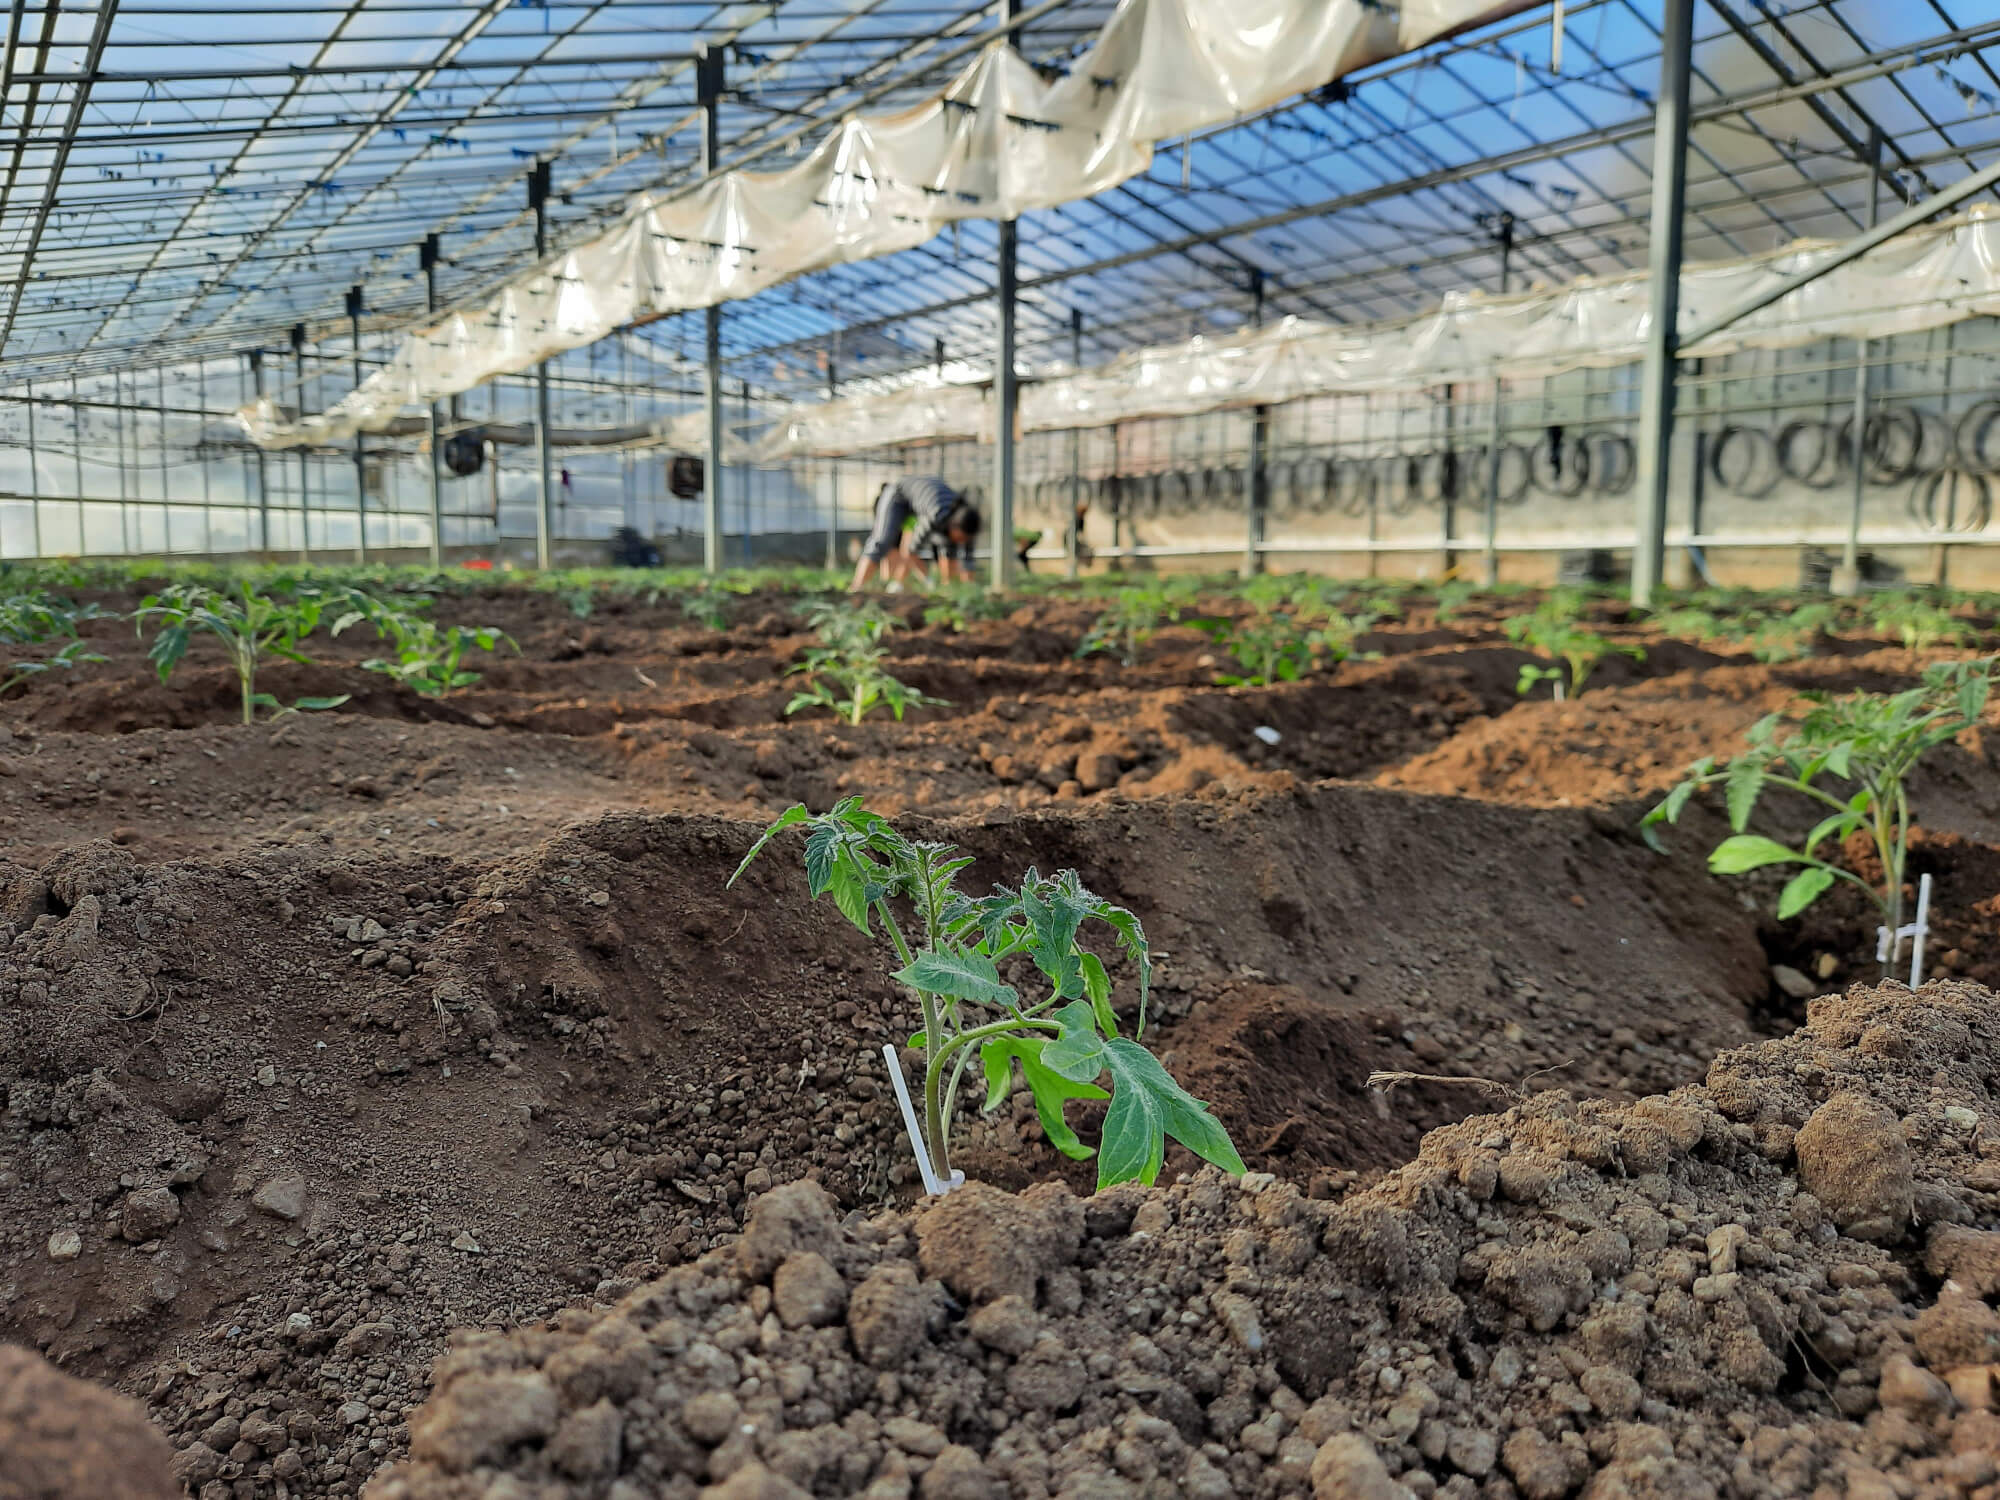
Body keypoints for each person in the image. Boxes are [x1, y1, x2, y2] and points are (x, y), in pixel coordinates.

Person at [850, 476, 983, 591]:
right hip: (898, 494)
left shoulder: (967, 521)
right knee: (883, 540)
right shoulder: (935, 514)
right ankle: (856, 588)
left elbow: (967, 559)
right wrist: (928, 581)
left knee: (949, 547)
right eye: (961, 537)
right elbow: (910, 550)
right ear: (954, 527)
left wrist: (969, 589)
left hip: (922, 500)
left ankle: (946, 588)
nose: (962, 541)